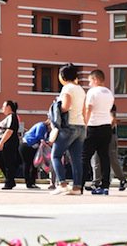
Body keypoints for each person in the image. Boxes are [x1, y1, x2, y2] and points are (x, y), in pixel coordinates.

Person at [50, 63, 86, 195]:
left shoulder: (67, 89)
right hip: (81, 125)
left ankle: (62, 183)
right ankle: (77, 187)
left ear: (63, 76)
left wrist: (56, 108)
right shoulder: (81, 89)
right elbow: (83, 109)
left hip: (68, 126)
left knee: (56, 155)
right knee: (76, 159)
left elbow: (65, 106)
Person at [81, 69, 115, 195]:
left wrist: (85, 123)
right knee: (104, 157)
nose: (89, 84)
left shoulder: (92, 92)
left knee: (85, 157)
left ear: (95, 79)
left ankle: (80, 184)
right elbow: (110, 110)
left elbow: (88, 108)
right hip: (106, 127)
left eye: (90, 81)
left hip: (93, 126)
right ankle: (105, 186)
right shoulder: (109, 93)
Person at [86, 105, 127, 192]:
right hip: (96, 133)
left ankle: (122, 179)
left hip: (109, 135)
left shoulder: (109, 104)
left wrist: (108, 130)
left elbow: (113, 119)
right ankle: (96, 182)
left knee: (112, 158)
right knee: (95, 159)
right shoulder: (93, 104)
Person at [0, 100, 20, 190]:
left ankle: (9, 182)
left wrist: (2, 142)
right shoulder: (8, 117)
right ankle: (10, 180)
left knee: (8, 162)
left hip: (8, 143)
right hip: (4, 142)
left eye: (4, 106)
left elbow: (9, 131)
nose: (2, 108)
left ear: (9, 107)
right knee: (1, 160)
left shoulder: (12, 117)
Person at [19, 120, 51, 189]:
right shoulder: (41, 125)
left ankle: (32, 182)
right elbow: (39, 136)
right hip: (27, 145)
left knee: (34, 165)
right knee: (27, 164)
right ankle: (29, 183)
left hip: (33, 147)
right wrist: (45, 142)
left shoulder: (47, 130)